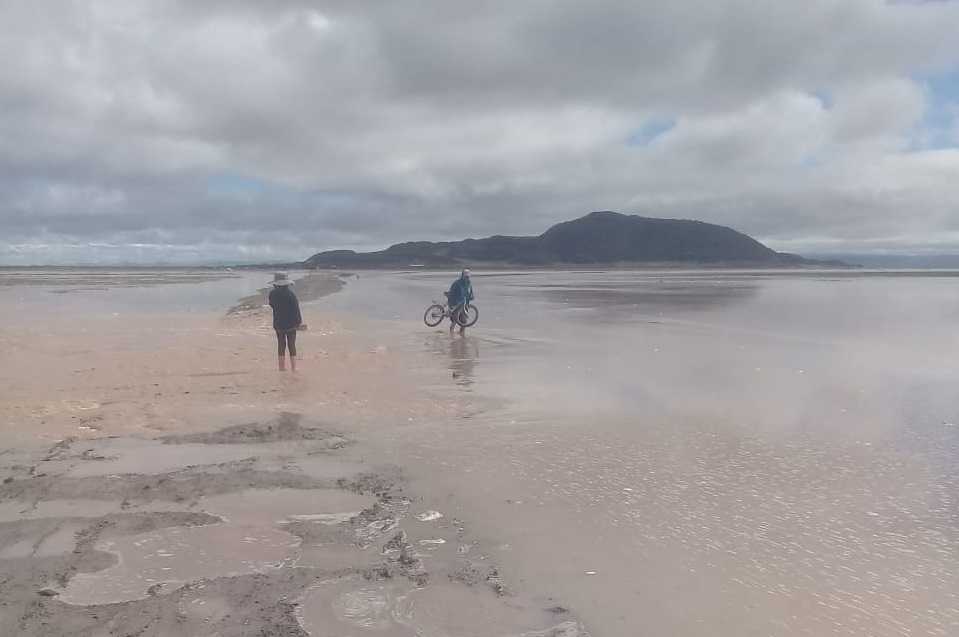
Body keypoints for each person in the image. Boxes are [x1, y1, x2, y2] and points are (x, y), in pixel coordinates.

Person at [268, 272, 302, 371]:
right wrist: (298, 322)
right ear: (287, 284)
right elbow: (296, 310)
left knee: (281, 345)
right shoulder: (291, 295)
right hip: (291, 324)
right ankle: (293, 368)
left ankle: (281, 367)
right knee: (292, 345)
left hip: (278, 323)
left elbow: (272, 305)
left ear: (275, 284)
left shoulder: (272, 294)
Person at [447, 269, 474, 334]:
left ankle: (462, 335)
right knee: (455, 320)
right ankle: (451, 334)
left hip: (464, 304)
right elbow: (451, 293)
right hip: (456, 303)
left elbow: (470, 293)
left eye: (468, 276)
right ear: (462, 276)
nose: (467, 278)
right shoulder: (457, 283)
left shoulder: (469, 283)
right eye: (465, 276)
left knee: (464, 321)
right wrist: (452, 305)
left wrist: (471, 297)